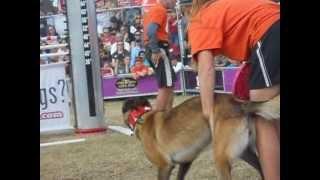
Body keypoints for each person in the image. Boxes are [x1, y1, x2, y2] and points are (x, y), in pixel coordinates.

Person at [188, 0, 280, 180]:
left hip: (270, 30)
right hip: (272, 24)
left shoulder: (199, 20)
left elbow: (206, 68)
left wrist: (208, 112)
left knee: (261, 116)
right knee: (274, 114)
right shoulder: (225, 7)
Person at [143, 0, 177, 111]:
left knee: (169, 83)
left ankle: (167, 115)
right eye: (174, 0)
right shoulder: (159, 10)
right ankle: (158, 119)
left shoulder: (155, 9)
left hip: (157, 47)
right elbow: (151, 31)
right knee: (165, 85)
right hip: (158, 47)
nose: (175, 2)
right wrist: (155, 50)